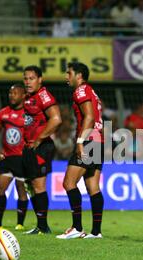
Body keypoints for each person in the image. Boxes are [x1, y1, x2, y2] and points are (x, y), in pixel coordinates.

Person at [56, 62, 104, 240]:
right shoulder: (91, 91)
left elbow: (90, 116)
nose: (66, 76)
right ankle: (96, 232)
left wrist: (80, 141)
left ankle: (76, 227)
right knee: (93, 187)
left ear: (79, 76)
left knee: (69, 183)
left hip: (89, 140)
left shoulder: (81, 91)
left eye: (69, 73)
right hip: (98, 140)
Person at [22, 65, 62, 235]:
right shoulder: (28, 97)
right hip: (28, 147)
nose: (28, 82)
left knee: (39, 186)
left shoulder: (43, 95)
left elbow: (56, 119)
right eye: (25, 78)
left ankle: (43, 226)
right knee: (30, 185)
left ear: (40, 79)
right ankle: (40, 225)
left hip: (41, 147)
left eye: (31, 78)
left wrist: (38, 139)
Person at [0, 84, 29, 231]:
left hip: (22, 158)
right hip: (6, 158)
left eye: (15, 93)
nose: (11, 95)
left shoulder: (29, 114)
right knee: (0, 189)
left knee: (22, 191)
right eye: (10, 93)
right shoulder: (3, 113)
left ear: (23, 95)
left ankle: (20, 223)